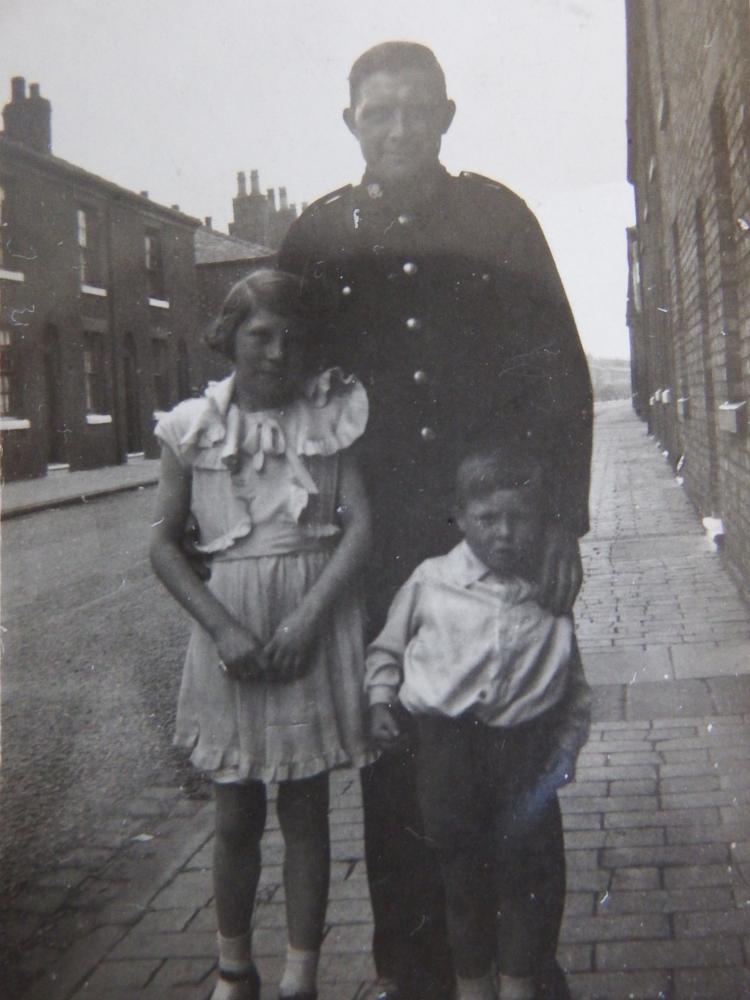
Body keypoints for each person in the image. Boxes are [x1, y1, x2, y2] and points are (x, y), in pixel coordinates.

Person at [279, 41, 593, 1000]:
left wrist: (563, 526)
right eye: (380, 112)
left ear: (447, 116)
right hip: (377, 548)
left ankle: (526, 967)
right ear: (352, 125)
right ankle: (415, 976)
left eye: (417, 108)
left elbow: (562, 374)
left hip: (496, 538)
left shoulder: (498, 221)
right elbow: (275, 385)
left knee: (523, 752)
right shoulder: (319, 239)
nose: (400, 127)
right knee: (397, 769)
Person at [149, 269, 373, 1000]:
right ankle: (233, 968)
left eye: (292, 337)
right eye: (260, 335)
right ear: (229, 338)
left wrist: (310, 619)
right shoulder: (192, 428)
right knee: (236, 807)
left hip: (311, 613)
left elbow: (360, 528)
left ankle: (300, 976)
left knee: (306, 808)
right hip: (233, 628)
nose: (278, 351)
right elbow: (162, 545)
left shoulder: (329, 417)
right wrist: (222, 629)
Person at [366, 440, 591, 1000]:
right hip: (449, 755)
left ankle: (519, 986)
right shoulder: (431, 582)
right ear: (460, 518)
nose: (504, 533)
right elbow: (386, 650)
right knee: (462, 881)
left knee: (528, 880)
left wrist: (566, 750)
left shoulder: (546, 592)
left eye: (520, 518)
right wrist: (378, 702)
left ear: (540, 521)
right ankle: (473, 988)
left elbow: (573, 685)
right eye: (488, 518)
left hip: (526, 755)